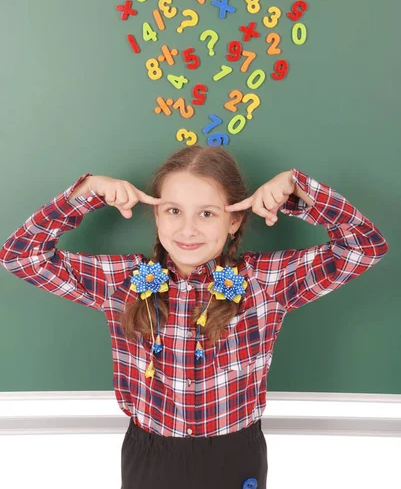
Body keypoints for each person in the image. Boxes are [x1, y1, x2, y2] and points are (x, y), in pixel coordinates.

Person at [0, 145, 389, 489]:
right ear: (156, 216)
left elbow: (365, 248)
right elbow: (21, 257)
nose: (188, 229)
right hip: (150, 455)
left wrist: (299, 194)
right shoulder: (124, 282)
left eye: (207, 213)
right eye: (173, 211)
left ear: (234, 220)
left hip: (234, 454)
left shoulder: (263, 282)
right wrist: (82, 196)